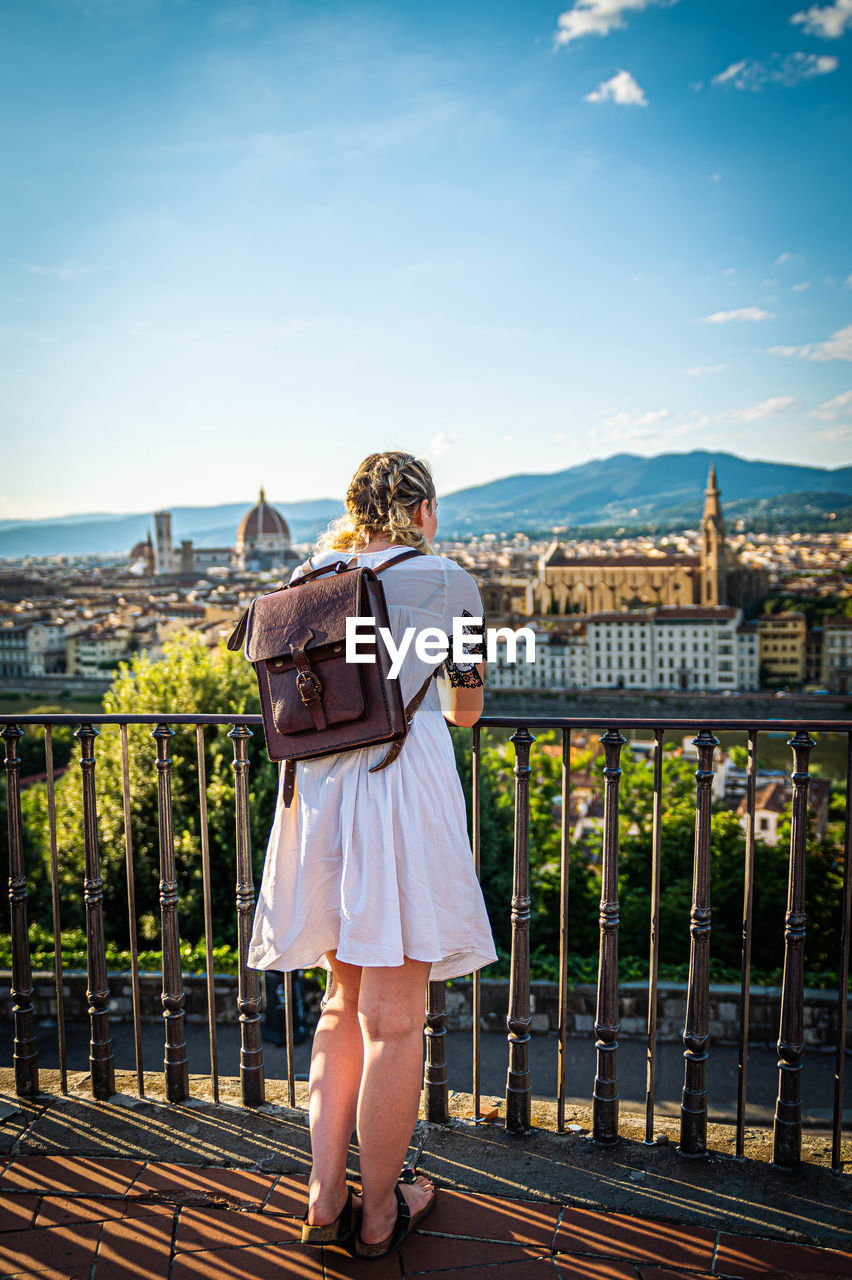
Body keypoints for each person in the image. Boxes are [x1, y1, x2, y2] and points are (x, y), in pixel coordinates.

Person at [247, 450, 497, 1259]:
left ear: (352, 507)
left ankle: (325, 1199)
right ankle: (384, 1213)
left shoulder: (309, 575)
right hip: (400, 797)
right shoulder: (448, 581)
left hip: (321, 804)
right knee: (396, 1022)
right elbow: (464, 708)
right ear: (422, 510)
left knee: (338, 1007)